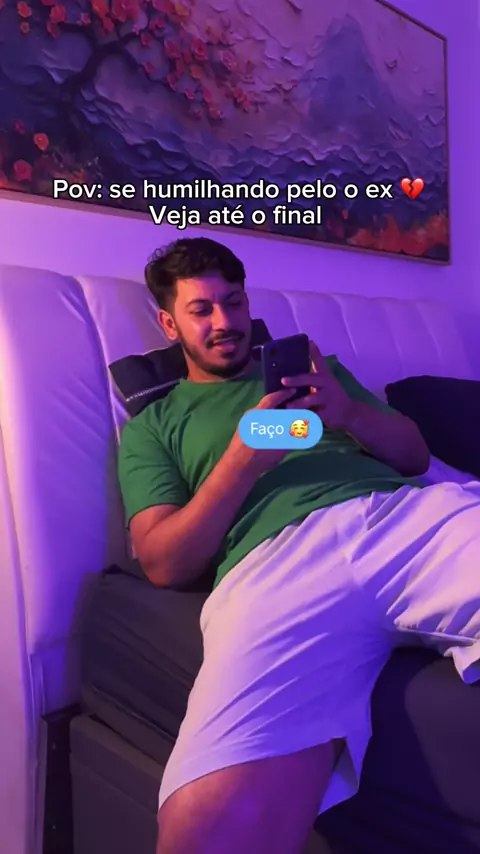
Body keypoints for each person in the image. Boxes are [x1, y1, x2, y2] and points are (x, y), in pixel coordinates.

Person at [117, 236, 480, 854]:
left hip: (398, 519)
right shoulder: (154, 425)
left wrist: (346, 413)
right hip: (272, 569)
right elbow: (162, 562)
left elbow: (415, 455)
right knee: (205, 832)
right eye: (201, 309)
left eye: (234, 302)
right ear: (169, 323)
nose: (225, 321)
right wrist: (241, 461)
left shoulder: (317, 373)